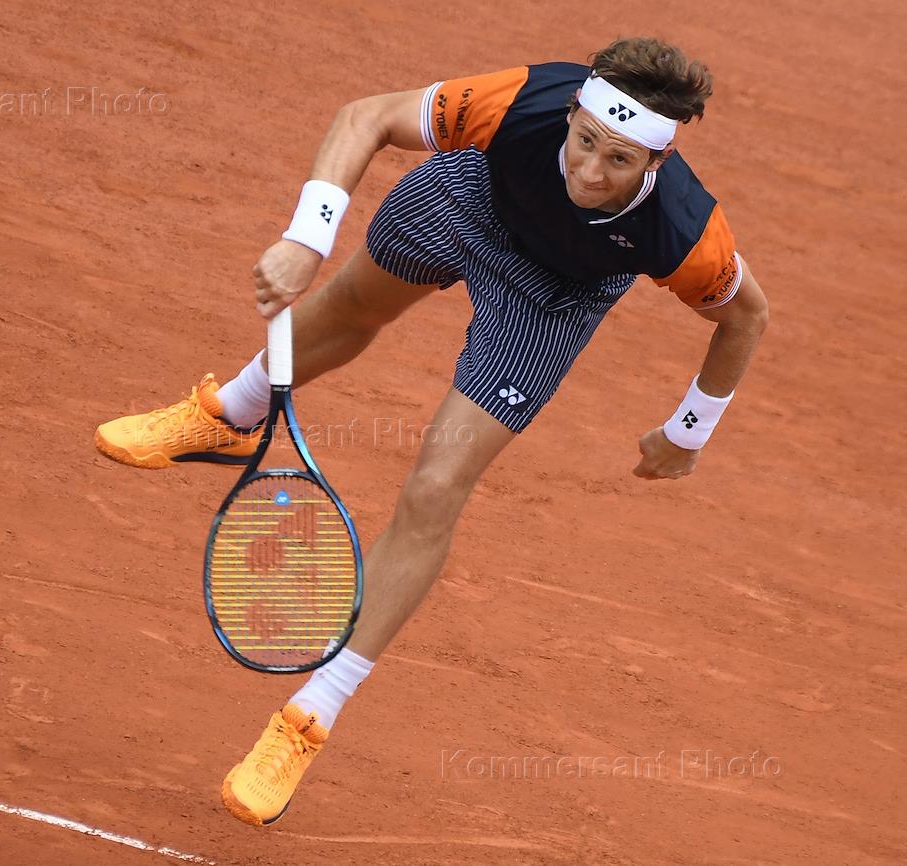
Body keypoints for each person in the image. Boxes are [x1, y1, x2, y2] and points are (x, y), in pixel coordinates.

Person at [94, 36, 769, 826]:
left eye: (618, 160)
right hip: (467, 200)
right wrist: (306, 239)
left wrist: (689, 430)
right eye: (585, 141)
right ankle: (231, 416)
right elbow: (366, 117)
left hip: (551, 295)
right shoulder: (518, 102)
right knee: (352, 306)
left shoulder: (684, 230)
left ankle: (309, 716)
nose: (590, 172)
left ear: (656, 162)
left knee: (438, 483)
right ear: (572, 114)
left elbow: (746, 317)